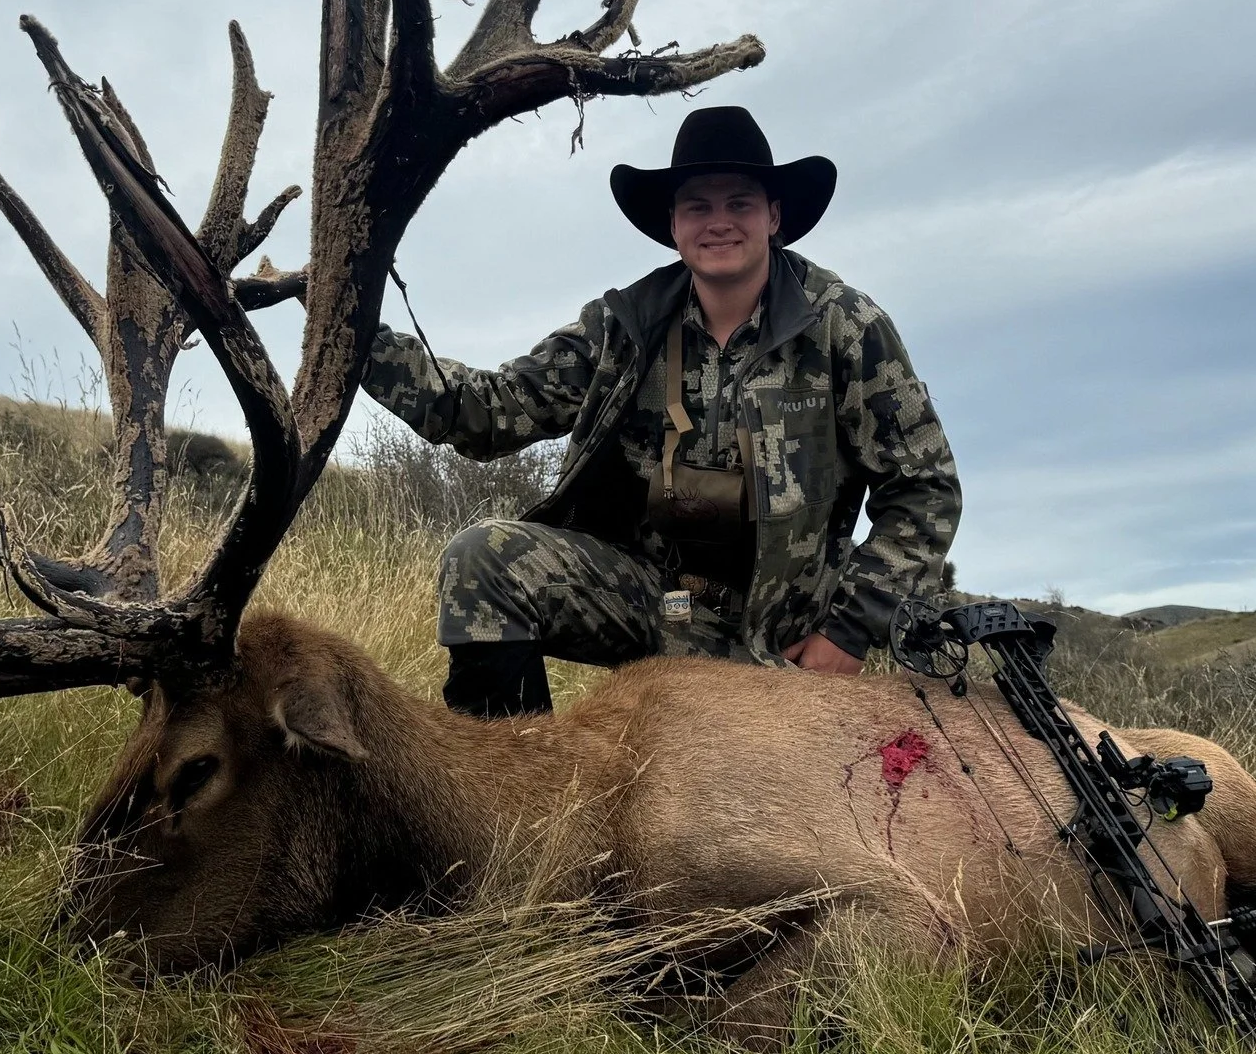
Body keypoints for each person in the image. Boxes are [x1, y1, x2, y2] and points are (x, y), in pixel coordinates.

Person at [363, 105, 962, 717]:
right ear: (673, 225)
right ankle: (517, 787)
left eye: (740, 203)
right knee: (483, 559)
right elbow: (484, 412)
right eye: (698, 205)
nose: (719, 222)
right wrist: (355, 335)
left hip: (780, 646)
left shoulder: (846, 327)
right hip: (655, 605)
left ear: (774, 216)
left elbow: (926, 489)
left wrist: (847, 634)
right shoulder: (625, 327)